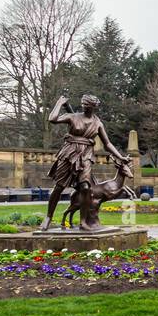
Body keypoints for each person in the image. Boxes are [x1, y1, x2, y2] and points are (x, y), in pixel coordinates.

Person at [41, 94, 130, 232]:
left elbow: (107, 143)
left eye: (88, 106)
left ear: (94, 107)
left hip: (86, 155)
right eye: (83, 105)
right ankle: (48, 217)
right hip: (69, 153)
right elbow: (52, 119)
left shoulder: (98, 123)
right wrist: (59, 102)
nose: (85, 107)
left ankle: (83, 222)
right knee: (59, 186)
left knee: (86, 187)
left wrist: (120, 157)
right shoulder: (73, 116)